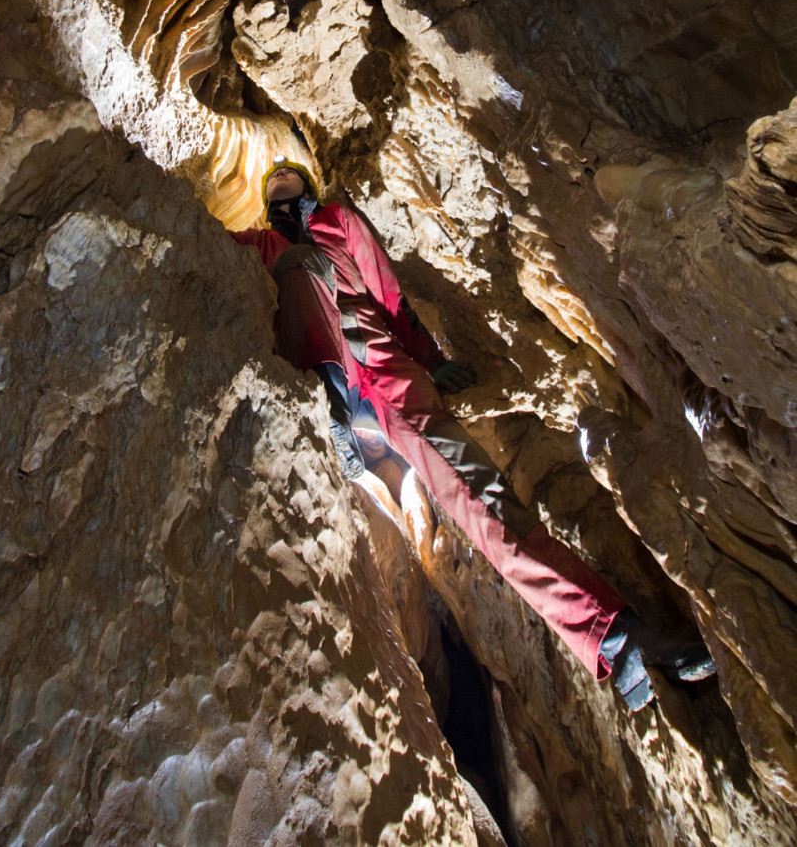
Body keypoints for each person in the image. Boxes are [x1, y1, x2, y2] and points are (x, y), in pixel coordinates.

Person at [230, 157, 717, 712]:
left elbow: (387, 291)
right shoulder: (263, 245)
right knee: (297, 262)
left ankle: (610, 632)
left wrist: (430, 360)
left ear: (309, 184)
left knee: (476, 492)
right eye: (270, 177)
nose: (276, 173)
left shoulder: (337, 221)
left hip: (383, 371)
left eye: (287, 170)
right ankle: (330, 408)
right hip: (321, 366)